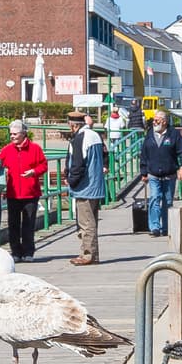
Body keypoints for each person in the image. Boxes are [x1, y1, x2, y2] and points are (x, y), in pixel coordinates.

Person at [0, 119, 48, 261]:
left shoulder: (35, 149)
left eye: (15, 134)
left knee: (29, 224)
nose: (12, 136)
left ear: (23, 134)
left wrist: (34, 172)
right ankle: (16, 252)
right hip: (12, 193)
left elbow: (43, 166)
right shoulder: (7, 150)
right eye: (10, 134)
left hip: (30, 193)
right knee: (13, 225)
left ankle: (28, 252)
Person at [65, 110, 108, 266]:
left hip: (85, 187)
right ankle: (91, 254)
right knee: (92, 221)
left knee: (86, 223)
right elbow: (104, 154)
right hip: (96, 185)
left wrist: (71, 180)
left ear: (73, 125)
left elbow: (77, 164)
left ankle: (87, 255)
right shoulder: (95, 135)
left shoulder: (80, 139)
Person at [138, 110, 182, 237]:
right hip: (153, 173)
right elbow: (144, 154)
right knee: (155, 198)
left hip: (169, 174)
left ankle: (166, 227)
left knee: (167, 201)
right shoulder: (150, 134)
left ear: (164, 122)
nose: (154, 122)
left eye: (157, 120)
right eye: (154, 120)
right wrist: (143, 172)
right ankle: (154, 227)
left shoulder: (174, 134)